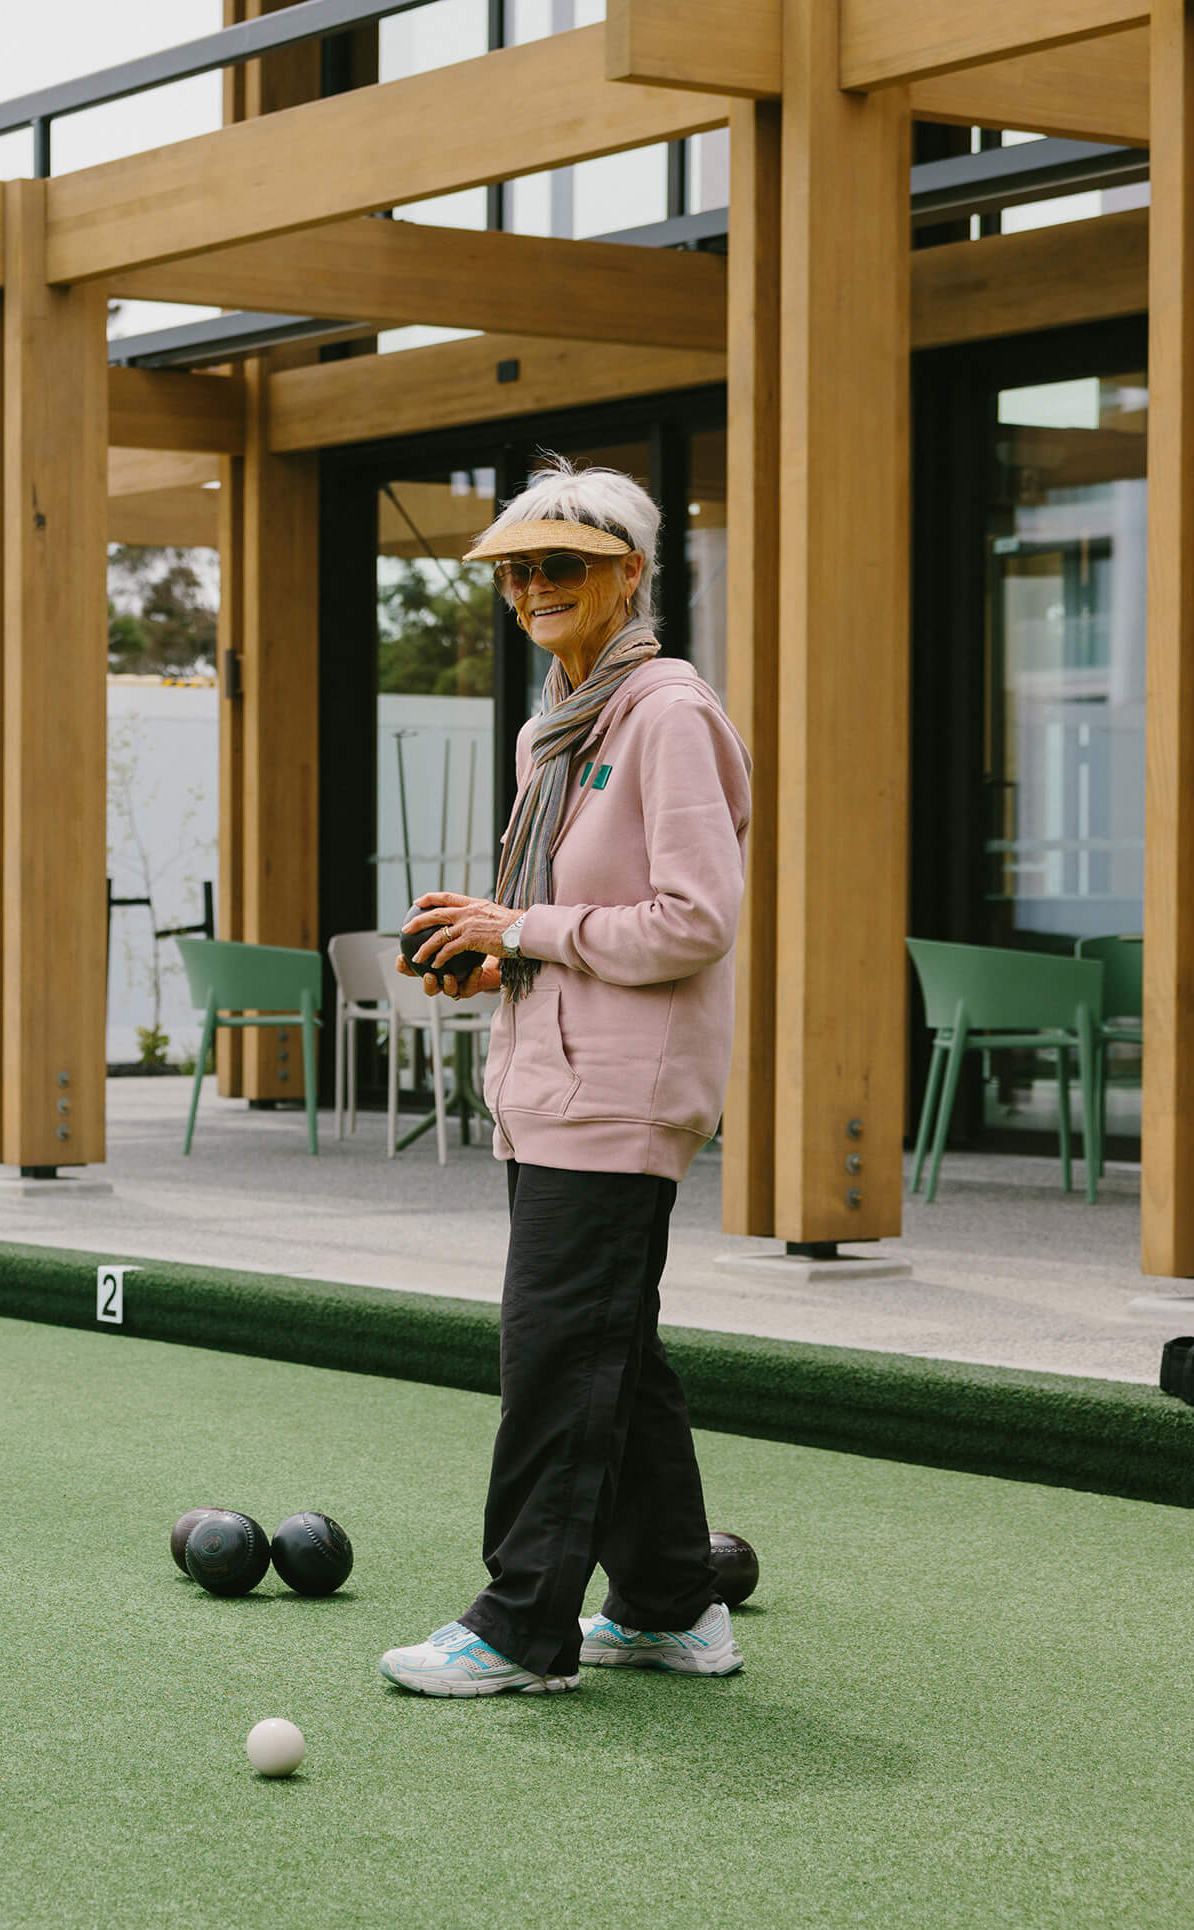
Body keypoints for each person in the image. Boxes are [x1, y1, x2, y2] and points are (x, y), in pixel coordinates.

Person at [379, 457, 753, 1697]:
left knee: (553, 1349)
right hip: (549, 1082)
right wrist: (491, 952)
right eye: (520, 568)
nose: (533, 585)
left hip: (621, 1093)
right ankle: (668, 1603)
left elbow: (697, 919)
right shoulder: (562, 722)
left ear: (630, 573)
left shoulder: (666, 712)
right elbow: (564, 916)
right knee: (609, 1347)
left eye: (563, 564)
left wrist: (524, 930)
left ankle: (521, 1623)